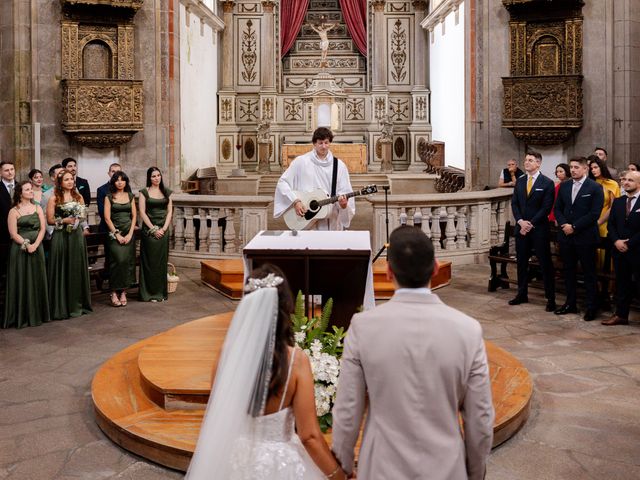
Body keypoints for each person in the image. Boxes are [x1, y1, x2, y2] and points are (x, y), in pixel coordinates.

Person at [332, 226, 494, 480]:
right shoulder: (468, 330)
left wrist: (342, 465)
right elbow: (480, 418)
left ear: (388, 272)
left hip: (382, 468)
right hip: (446, 468)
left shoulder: (363, 327)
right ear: (436, 267)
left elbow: (347, 410)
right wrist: (474, 474)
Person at [186, 264, 347, 480]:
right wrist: (338, 475)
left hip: (235, 460)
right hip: (280, 465)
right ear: (286, 306)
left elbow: (217, 412)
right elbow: (309, 436)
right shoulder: (295, 361)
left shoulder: (226, 355)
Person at [553, 157, 605, 321]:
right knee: (568, 271)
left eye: (576, 167)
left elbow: (594, 214)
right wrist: (564, 225)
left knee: (589, 273)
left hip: (585, 236)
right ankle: (570, 303)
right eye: (571, 167)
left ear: (585, 169)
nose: (573, 170)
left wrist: (574, 227)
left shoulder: (595, 187)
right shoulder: (565, 185)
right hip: (566, 236)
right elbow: (558, 208)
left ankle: (591, 307)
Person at [274, 127, 355, 231]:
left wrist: (344, 206)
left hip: (331, 222)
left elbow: (345, 192)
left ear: (330, 143)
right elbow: (282, 183)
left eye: (326, 143)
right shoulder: (301, 162)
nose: (324, 146)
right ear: (314, 143)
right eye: (320, 143)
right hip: (306, 220)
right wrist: (295, 201)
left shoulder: (339, 166)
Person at [508, 151, 556, 311]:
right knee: (521, 263)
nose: (526, 162)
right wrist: (521, 222)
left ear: (538, 163)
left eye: (530, 160)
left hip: (538, 230)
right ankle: (522, 293)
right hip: (521, 229)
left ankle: (551, 298)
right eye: (526, 160)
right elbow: (515, 204)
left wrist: (530, 224)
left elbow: (546, 208)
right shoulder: (520, 182)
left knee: (545, 264)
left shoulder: (547, 183)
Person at [3, 181, 50, 328]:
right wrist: (27, 245)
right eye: (27, 189)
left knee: (37, 278)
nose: (31, 191)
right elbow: (13, 233)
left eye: (31, 189)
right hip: (20, 249)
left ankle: (39, 313)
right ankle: (22, 315)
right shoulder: (13, 211)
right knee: (22, 279)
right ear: (20, 193)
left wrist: (36, 244)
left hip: (37, 247)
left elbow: (43, 229)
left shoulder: (37, 207)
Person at [47, 170, 92, 320]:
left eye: (71, 179)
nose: (70, 182)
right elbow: (50, 220)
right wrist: (64, 221)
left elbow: (83, 215)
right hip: (60, 236)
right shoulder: (54, 198)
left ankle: (76, 304)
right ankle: (61, 307)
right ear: (60, 182)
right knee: (61, 267)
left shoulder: (78, 197)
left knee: (75, 267)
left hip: (75, 236)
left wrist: (78, 218)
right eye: (66, 180)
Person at [603, 170, 640, 325]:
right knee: (622, 283)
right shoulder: (618, 201)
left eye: (630, 180)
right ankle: (621, 315)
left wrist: (629, 243)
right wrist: (617, 241)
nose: (626, 183)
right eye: (624, 180)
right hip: (619, 250)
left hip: (637, 250)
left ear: (639, 183)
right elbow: (611, 224)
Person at [590, 157, 620, 309]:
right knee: (592, 259)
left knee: (605, 260)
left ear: (602, 167)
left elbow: (613, 207)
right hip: (589, 224)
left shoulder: (611, 184)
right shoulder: (590, 184)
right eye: (591, 168)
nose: (593, 170)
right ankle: (595, 291)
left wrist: (599, 222)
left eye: (596, 167)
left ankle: (608, 292)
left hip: (604, 223)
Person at [139, 167, 173, 302]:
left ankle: (160, 293)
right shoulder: (144, 192)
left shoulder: (167, 192)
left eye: (158, 175)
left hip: (163, 230)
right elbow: (142, 212)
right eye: (153, 176)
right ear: (149, 178)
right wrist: (154, 229)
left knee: (160, 263)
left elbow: (170, 211)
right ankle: (148, 293)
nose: (157, 178)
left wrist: (164, 229)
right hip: (149, 230)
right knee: (149, 262)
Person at [104, 171, 137, 307]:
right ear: (113, 182)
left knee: (126, 262)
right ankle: (113, 291)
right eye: (117, 180)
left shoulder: (130, 196)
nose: (119, 182)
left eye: (122, 180)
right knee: (116, 261)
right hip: (114, 233)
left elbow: (134, 216)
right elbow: (107, 217)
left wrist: (129, 234)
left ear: (125, 182)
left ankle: (123, 291)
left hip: (128, 232)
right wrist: (117, 234)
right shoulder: (109, 197)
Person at [97, 163, 122, 232]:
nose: (115, 174)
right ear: (109, 173)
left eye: (118, 172)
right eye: (113, 171)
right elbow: (102, 212)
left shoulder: (126, 188)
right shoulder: (101, 190)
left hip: (125, 225)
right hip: (107, 227)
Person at [42, 164, 64, 241]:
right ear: (52, 177)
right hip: (56, 233)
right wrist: (52, 232)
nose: (62, 176)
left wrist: (85, 228)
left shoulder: (74, 191)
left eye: (63, 173)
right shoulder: (46, 195)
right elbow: (44, 216)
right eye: (60, 174)